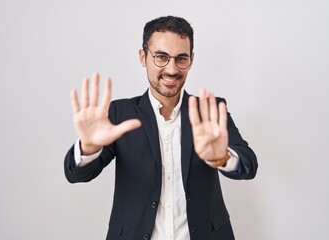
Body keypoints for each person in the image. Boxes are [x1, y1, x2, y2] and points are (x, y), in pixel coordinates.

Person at [64, 16, 257, 240]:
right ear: (143, 57)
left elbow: (249, 166)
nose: (172, 69)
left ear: (191, 60)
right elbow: (77, 175)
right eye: (161, 57)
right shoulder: (120, 113)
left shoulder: (211, 111)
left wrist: (223, 157)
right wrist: (87, 148)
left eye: (181, 58)